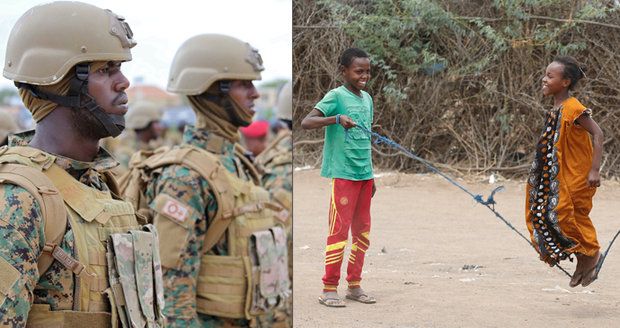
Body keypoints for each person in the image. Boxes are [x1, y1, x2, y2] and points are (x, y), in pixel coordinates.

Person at [0, 2, 164, 326]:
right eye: (105, 70)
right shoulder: (17, 201)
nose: (124, 83)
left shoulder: (98, 183)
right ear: (57, 84)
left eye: (120, 67)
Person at [121, 34, 290, 327]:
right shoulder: (184, 176)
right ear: (213, 91)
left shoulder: (237, 161)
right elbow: (172, 297)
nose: (255, 94)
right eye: (243, 84)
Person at [301, 48, 377, 307]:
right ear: (344, 71)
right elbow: (306, 122)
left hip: (364, 176)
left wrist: (371, 176)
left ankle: (354, 285)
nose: (364, 76)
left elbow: (366, 139)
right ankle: (329, 288)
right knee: (339, 232)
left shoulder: (367, 99)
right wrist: (335, 119)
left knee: (363, 233)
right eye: (358, 71)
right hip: (343, 177)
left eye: (367, 71)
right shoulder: (336, 96)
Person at [525, 56, 604, 288]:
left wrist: (595, 170)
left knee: (567, 215)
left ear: (566, 82)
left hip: (578, 176)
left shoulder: (574, 108)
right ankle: (583, 259)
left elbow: (598, 134)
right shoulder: (557, 108)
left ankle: (591, 254)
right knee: (549, 213)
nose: (544, 79)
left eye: (550, 76)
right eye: (545, 74)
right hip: (561, 177)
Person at [114, 100, 165, 170]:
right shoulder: (126, 154)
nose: (160, 127)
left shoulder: (154, 149)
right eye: (156, 122)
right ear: (144, 124)